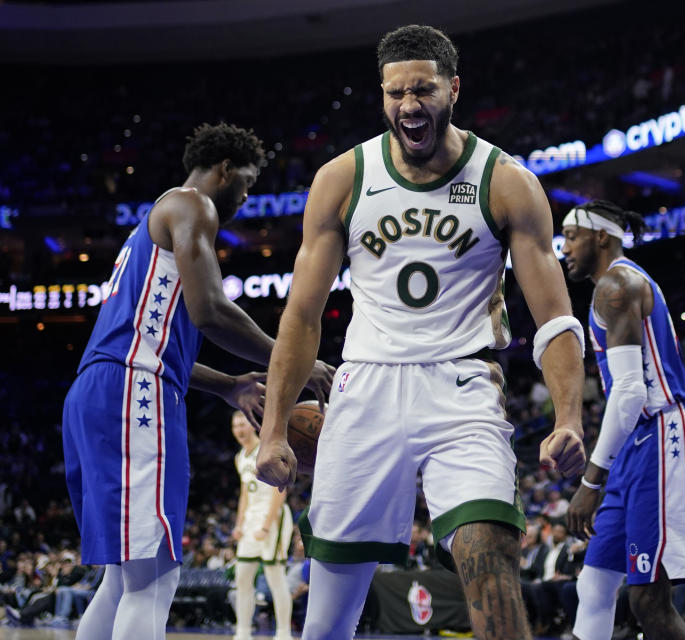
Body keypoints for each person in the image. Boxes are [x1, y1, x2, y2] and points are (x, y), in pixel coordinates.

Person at [255, 25, 586, 640]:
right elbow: (300, 316)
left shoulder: (506, 180)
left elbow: (556, 319)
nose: (409, 105)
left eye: (423, 90)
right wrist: (274, 429)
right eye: (396, 93)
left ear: (453, 89)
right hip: (366, 390)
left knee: (491, 566)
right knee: (327, 619)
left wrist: (569, 416)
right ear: (382, 96)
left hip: (462, 388)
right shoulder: (342, 177)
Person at [61, 123, 334, 640]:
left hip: (100, 391)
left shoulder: (151, 227)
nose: (247, 196)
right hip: (134, 393)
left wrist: (229, 384)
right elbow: (210, 310)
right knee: (156, 580)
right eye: (247, 182)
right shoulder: (192, 205)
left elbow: (155, 343)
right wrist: (291, 360)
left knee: (122, 580)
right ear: (224, 170)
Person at [561, 200, 685, 640]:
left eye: (572, 237)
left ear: (601, 237)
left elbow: (630, 392)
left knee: (648, 600)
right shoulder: (609, 287)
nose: (564, 247)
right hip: (636, 442)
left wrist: (591, 482)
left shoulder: (618, 283)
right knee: (594, 583)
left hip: (663, 432)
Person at [231, 411, 294, 640]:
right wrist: (240, 524)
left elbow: (281, 489)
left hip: (273, 518)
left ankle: (284, 633)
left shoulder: (266, 450)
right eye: (235, 425)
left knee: (275, 575)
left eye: (242, 424)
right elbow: (245, 494)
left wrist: (267, 526)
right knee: (242, 576)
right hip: (252, 519)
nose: (239, 429)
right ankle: (243, 632)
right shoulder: (240, 457)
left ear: (253, 426)